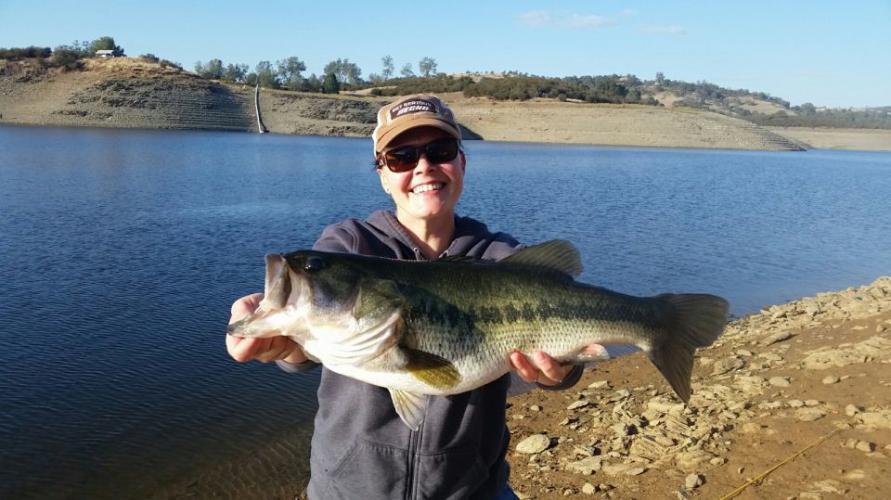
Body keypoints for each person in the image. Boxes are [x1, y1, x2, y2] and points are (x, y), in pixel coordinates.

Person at [227, 94, 603, 499]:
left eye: (440, 151)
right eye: (402, 157)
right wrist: (285, 345)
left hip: (469, 490)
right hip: (348, 490)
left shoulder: (502, 259)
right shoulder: (349, 246)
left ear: (462, 163)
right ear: (383, 175)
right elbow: (314, 342)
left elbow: (564, 348)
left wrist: (564, 371)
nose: (424, 167)